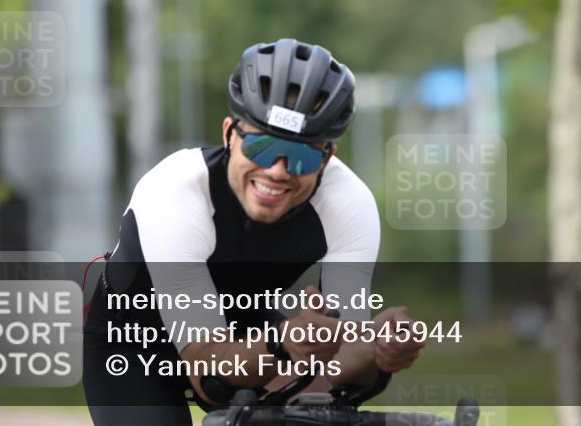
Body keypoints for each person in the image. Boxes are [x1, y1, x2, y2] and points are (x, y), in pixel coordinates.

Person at [83, 38, 423, 426]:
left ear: (327, 158)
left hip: (250, 327)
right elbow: (208, 374)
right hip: (135, 343)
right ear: (230, 133)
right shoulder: (176, 191)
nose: (278, 171)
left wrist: (378, 351)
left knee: (321, 411)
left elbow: (343, 371)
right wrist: (280, 344)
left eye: (303, 155)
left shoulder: (348, 204)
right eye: (262, 146)